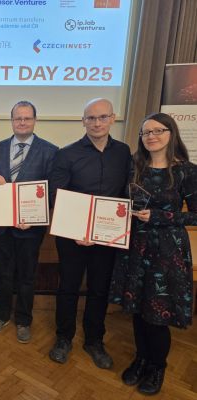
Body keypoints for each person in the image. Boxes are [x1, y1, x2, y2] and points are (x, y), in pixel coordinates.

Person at [109, 113, 196, 395]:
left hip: (167, 252)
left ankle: (158, 366)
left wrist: (159, 216)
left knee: (158, 312)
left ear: (171, 133)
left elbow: (195, 215)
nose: (151, 136)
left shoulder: (187, 171)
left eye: (158, 131)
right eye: (146, 132)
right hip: (135, 247)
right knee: (137, 308)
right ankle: (141, 358)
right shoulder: (135, 167)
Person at [48, 98, 131, 369]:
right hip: (73, 237)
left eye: (103, 117)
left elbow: (125, 194)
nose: (97, 123)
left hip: (107, 236)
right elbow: (57, 195)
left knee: (99, 289)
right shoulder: (66, 154)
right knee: (68, 288)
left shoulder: (124, 153)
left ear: (112, 118)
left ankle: (94, 340)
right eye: (91, 118)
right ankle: (64, 338)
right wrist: (77, 230)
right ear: (83, 121)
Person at [0, 100, 58, 344]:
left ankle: (24, 320)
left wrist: (35, 218)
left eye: (27, 118)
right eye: (18, 118)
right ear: (12, 120)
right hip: (1, 225)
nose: (22, 122)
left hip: (30, 228)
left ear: (35, 120)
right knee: (3, 273)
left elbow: (52, 190)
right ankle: (1, 316)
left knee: (27, 275)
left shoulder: (50, 151)